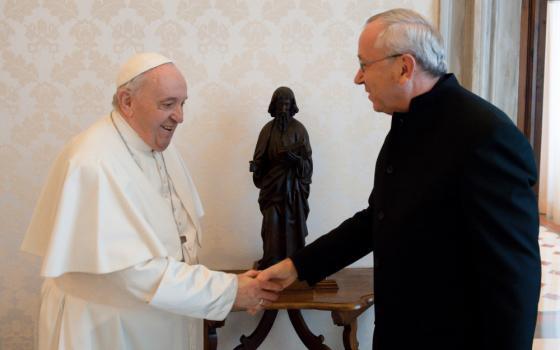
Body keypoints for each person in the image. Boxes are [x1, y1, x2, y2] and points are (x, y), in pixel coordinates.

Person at [258, 8, 541, 350]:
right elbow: (376, 221)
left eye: (364, 64)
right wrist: (296, 266)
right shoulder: (406, 126)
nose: (357, 78)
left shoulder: (486, 135)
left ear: (404, 67)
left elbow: (514, 279)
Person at [21, 52, 280, 350]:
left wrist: (228, 288)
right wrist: (228, 291)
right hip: (110, 329)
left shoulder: (156, 143)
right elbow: (132, 272)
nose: (180, 116)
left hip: (165, 315)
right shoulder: (93, 162)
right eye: (167, 104)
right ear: (127, 101)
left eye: (182, 104)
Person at [250, 86, 313, 269]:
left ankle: (294, 266)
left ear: (292, 106)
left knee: (293, 225)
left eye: (286, 104)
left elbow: (308, 163)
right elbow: (259, 158)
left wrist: (297, 161)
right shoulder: (267, 131)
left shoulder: (300, 130)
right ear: (274, 106)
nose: (283, 109)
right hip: (272, 188)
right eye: (280, 104)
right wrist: (256, 167)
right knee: (272, 225)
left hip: (293, 190)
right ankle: (272, 262)